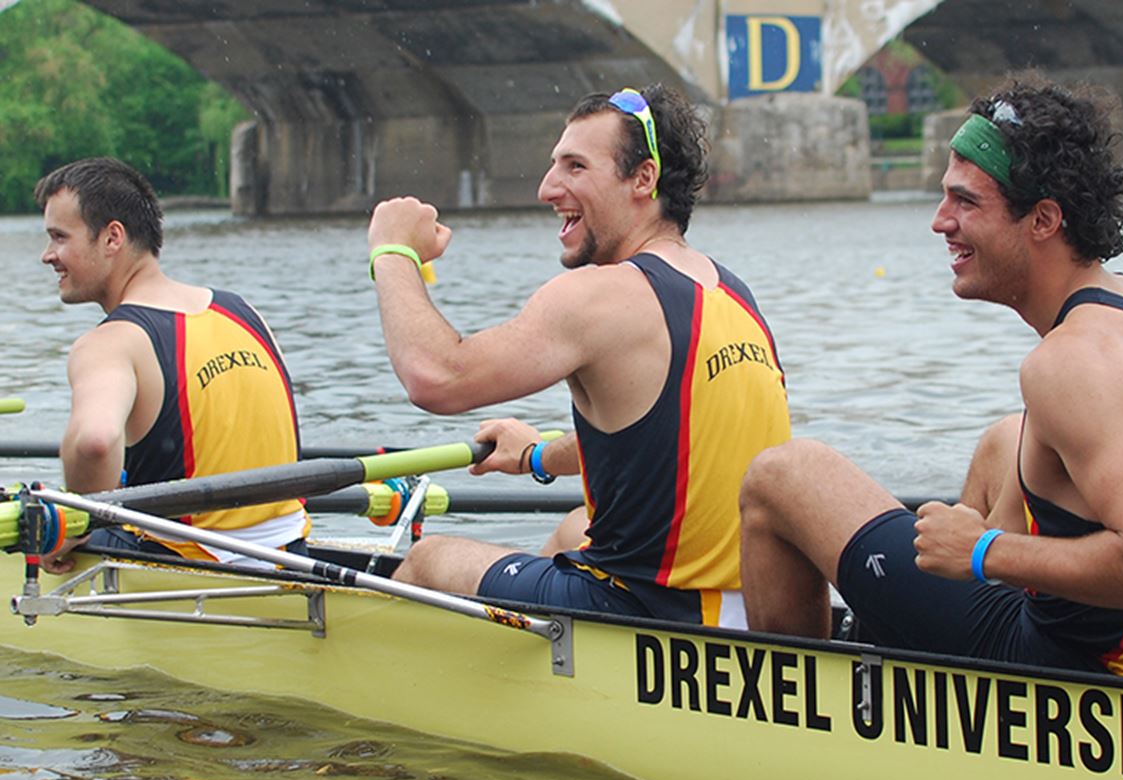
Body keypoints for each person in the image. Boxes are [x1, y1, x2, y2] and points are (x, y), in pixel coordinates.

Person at [738, 75, 1123, 685]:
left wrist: (981, 553)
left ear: (1042, 220)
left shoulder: (1070, 365)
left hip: (1091, 682)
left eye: (966, 203)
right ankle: (910, 648)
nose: (939, 222)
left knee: (782, 476)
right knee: (1004, 442)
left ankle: (797, 718)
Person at [366, 84, 790, 627]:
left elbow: (436, 378)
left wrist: (392, 250)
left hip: (653, 616)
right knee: (574, 527)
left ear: (643, 179)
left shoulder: (600, 295)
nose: (547, 188)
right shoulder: (733, 294)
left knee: (428, 561)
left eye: (575, 167)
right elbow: (671, 444)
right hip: (749, 607)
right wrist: (535, 457)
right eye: (554, 166)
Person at [35, 157, 309, 569]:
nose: (47, 255)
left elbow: (95, 441)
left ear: (112, 238)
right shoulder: (242, 311)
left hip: (184, 568)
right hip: (289, 555)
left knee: (39, 528)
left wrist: (76, 528)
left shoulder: (109, 343)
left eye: (59, 237)